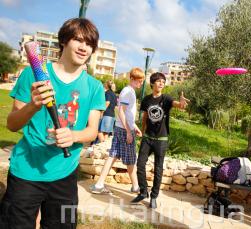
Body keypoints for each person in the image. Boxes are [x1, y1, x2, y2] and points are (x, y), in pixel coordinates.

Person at [0, 18, 105, 228]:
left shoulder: (95, 87)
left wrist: (73, 136)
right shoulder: (33, 74)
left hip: (65, 175)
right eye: (78, 40)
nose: (84, 48)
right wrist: (33, 105)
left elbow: (92, 131)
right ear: (64, 41)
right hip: (26, 171)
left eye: (90, 44)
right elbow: (12, 124)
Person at [131, 72, 190, 209]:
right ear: (152, 83)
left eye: (163, 81)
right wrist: (143, 131)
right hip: (147, 138)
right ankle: (143, 191)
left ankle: (154, 196)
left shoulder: (167, 99)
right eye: (158, 81)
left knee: (158, 168)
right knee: (140, 164)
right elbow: (145, 116)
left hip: (161, 139)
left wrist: (182, 102)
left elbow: (178, 105)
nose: (161, 83)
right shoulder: (146, 100)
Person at [90, 67, 144, 194]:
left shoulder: (129, 91)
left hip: (122, 128)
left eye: (141, 81)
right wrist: (129, 131)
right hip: (124, 130)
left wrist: (134, 127)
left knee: (113, 156)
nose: (140, 84)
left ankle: (99, 185)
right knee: (130, 159)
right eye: (138, 81)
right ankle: (136, 187)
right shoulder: (128, 92)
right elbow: (121, 111)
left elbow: (128, 114)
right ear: (131, 78)